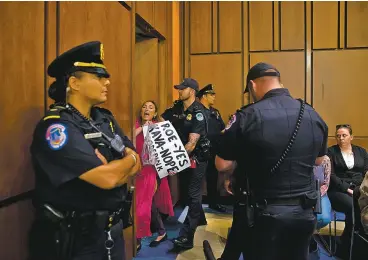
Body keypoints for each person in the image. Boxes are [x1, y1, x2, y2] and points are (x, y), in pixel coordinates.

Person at [29, 41, 141, 260]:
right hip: (77, 240)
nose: (106, 82)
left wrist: (124, 162)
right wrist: (125, 163)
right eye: (98, 77)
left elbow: (137, 161)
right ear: (74, 83)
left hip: (112, 230)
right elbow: (107, 178)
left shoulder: (104, 119)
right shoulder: (56, 127)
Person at [215, 62, 328, 260]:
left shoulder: (247, 115)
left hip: (263, 213)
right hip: (304, 212)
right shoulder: (311, 114)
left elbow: (222, 164)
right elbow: (319, 161)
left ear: (253, 85)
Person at [161, 78, 209, 250]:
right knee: (189, 192)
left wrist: (174, 161)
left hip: (196, 157)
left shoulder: (198, 112)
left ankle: (187, 237)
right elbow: (161, 120)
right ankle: (200, 218)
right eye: (179, 88)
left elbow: (192, 144)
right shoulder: (177, 108)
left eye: (183, 88)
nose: (179, 91)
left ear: (193, 91)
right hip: (183, 158)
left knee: (193, 194)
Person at [134, 100, 174, 250]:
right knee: (148, 203)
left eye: (151, 107)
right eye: (144, 106)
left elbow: (167, 149)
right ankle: (162, 231)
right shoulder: (137, 124)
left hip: (151, 170)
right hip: (136, 169)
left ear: (155, 113)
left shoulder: (158, 127)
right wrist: (142, 128)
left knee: (143, 204)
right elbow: (129, 137)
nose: (146, 109)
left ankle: (137, 238)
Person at [327, 124, 368, 259]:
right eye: (338, 136)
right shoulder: (331, 152)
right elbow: (331, 176)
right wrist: (348, 189)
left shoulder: (361, 151)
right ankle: (348, 244)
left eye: (344, 135)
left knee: (361, 203)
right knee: (353, 206)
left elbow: (365, 172)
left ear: (351, 137)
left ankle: (356, 239)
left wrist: (360, 189)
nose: (341, 138)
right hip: (338, 190)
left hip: (359, 188)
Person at [197, 84, 226, 213]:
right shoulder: (197, 111)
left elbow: (222, 129)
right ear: (204, 96)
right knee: (196, 178)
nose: (214, 97)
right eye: (211, 95)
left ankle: (214, 202)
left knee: (213, 177)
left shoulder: (215, 112)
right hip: (199, 150)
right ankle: (193, 205)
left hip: (214, 149)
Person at [309, 155, 332, 253]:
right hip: (302, 193)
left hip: (320, 193)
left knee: (324, 218)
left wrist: (317, 196)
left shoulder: (325, 159)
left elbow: (326, 183)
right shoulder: (301, 154)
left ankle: (309, 234)